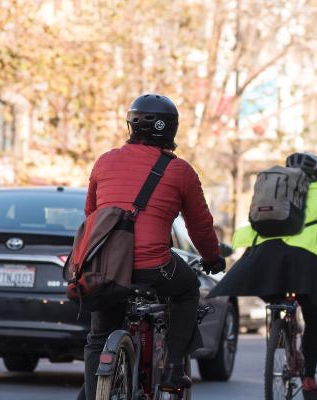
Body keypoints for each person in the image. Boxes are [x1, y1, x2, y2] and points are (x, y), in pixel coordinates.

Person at [78, 93, 226, 400]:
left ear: (131, 126)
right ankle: (173, 368)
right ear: (172, 130)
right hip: (154, 267)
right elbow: (199, 224)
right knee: (186, 290)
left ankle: (95, 392)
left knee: (98, 337)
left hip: (106, 266)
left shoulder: (105, 161)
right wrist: (212, 258)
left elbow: (91, 212)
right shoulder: (180, 170)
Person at [208, 152, 317, 400]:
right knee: (314, 316)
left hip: (267, 256)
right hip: (309, 259)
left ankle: (282, 327)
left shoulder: (276, 187)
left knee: (276, 296)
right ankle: (309, 379)